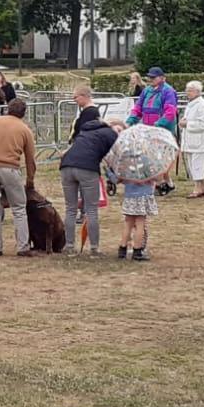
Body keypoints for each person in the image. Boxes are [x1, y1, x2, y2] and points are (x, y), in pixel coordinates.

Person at [0, 99, 38, 257]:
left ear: (7, 109)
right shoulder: (25, 130)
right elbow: (30, 159)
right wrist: (30, 180)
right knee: (19, 208)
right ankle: (22, 247)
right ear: (24, 113)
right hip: (10, 168)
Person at [58, 108, 118, 256]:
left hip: (66, 166)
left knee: (70, 208)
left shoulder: (84, 132)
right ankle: (94, 248)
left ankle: (69, 246)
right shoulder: (110, 134)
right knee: (91, 209)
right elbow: (115, 155)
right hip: (87, 168)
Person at [108, 118, 165, 261]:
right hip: (143, 194)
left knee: (128, 222)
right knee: (140, 223)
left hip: (129, 194)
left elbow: (119, 179)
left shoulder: (125, 160)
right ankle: (137, 250)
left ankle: (122, 248)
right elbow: (158, 178)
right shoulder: (146, 159)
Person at [180, 80, 204, 198]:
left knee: (197, 165)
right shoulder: (191, 104)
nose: (187, 92)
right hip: (191, 140)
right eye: (187, 90)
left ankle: (198, 188)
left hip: (200, 141)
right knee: (192, 164)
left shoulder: (201, 104)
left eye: (190, 90)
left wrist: (187, 124)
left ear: (197, 92)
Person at [129, 67, 178, 132]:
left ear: (161, 78)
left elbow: (170, 113)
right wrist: (129, 122)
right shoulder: (146, 90)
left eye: (153, 77)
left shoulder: (168, 91)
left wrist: (157, 125)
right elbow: (137, 108)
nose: (150, 79)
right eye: (149, 77)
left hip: (163, 131)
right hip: (148, 130)